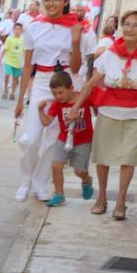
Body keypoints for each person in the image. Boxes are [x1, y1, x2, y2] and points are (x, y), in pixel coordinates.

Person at [71, 8, 137, 221]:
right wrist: (76, 107)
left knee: (128, 158)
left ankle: (121, 201)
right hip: (109, 111)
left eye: (135, 25)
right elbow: (92, 82)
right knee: (103, 156)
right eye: (127, 24)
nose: (129, 28)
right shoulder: (111, 52)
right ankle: (101, 197)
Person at [13, 0, 83, 203]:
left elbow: (76, 67)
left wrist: (75, 41)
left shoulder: (76, 28)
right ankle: (25, 180)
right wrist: (20, 97)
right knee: (30, 139)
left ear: (65, 2)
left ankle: (40, 184)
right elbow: (27, 66)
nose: (51, 3)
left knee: (53, 140)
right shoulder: (34, 27)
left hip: (65, 83)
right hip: (42, 82)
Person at [37, 70, 95, 207]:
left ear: (71, 88)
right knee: (56, 166)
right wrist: (40, 110)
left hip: (83, 141)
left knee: (79, 171)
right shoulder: (57, 104)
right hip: (63, 139)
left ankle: (86, 181)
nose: (57, 96)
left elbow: (97, 104)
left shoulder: (83, 99)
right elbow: (47, 122)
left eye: (61, 92)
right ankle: (59, 195)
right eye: (54, 93)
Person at [1, 22, 25, 100]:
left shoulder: (23, 39)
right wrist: (0, 59)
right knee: (7, 74)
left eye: (19, 29)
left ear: (21, 30)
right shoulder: (9, 38)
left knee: (16, 78)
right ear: (13, 30)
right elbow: (4, 49)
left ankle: (12, 93)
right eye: (15, 29)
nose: (17, 31)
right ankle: (5, 89)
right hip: (9, 61)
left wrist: (26, 62)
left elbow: (25, 51)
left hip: (18, 62)